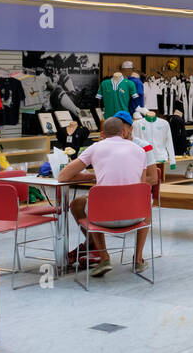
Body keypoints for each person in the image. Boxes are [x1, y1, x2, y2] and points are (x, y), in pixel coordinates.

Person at [58, 117, 157, 278]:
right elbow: (141, 186)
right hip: (135, 217)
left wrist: (91, 177)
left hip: (102, 219)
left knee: (91, 205)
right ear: (124, 132)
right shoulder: (140, 151)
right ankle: (138, 260)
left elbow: (63, 176)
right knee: (145, 202)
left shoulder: (95, 148)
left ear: (102, 134)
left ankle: (104, 258)